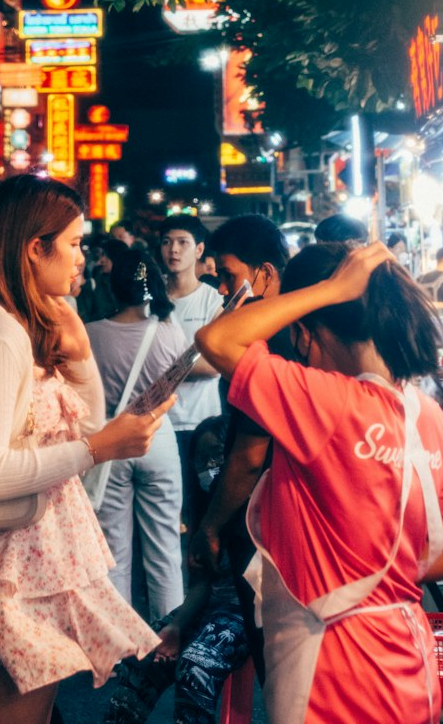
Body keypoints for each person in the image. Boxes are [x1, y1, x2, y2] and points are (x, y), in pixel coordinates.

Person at [197, 241, 443, 724]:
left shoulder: (323, 400)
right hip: (410, 661)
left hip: (333, 673)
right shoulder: (426, 413)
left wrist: (327, 289)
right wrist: (376, 581)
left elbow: (218, 340)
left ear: (305, 335)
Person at [0, 175, 176, 724]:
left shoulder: (23, 329)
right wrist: (98, 448)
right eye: (73, 244)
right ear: (34, 248)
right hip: (12, 557)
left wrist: (81, 353)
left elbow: (86, 422)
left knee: (34, 706)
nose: (81, 258)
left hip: (37, 551)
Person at [189, 216, 290, 675]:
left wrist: (210, 526)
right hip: (284, 524)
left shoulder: (266, 343)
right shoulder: (302, 333)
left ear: (265, 275)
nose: (224, 291)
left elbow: (250, 454)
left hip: (266, 526)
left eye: (230, 276)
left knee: (277, 659)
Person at [104, 417, 250, 724]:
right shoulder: (202, 513)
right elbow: (201, 585)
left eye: (218, 455)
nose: (210, 466)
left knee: (195, 665)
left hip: (247, 613)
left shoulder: (255, 509)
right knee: (144, 653)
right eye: (201, 459)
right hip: (210, 606)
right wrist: (175, 628)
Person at [87, 251, 189, 622]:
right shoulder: (169, 331)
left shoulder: (90, 334)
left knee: (113, 549)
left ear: (114, 287)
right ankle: (167, 639)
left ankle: (119, 651)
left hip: (112, 439)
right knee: (165, 548)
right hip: (159, 436)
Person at [160, 220, 222, 498]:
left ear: (199, 250)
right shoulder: (152, 299)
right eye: (167, 242)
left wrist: (161, 366)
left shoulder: (213, 301)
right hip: (160, 422)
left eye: (182, 242)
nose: (173, 249)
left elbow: (213, 365)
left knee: (201, 502)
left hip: (202, 423)